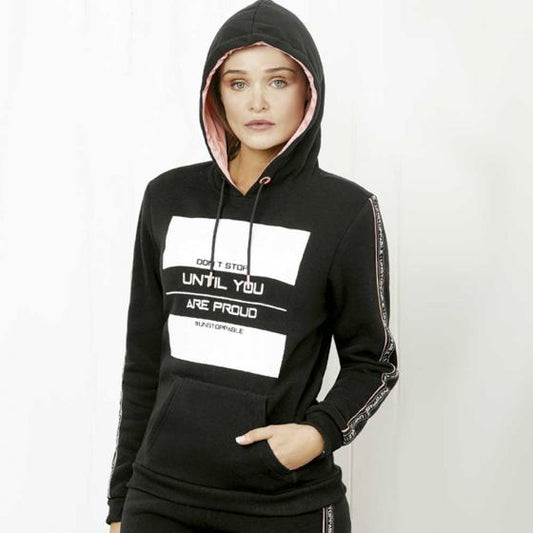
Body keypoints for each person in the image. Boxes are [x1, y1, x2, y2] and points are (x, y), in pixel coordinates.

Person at [106, 0, 399, 531]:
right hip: (161, 498)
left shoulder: (346, 211)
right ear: (215, 96)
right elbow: (142, 358)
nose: (257, 101)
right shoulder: (168, 197)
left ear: (308, 90)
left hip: (285, 504)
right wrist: (120, 499)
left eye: (278, 81)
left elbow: (374, 363)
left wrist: (318, 433)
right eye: (238, 83)